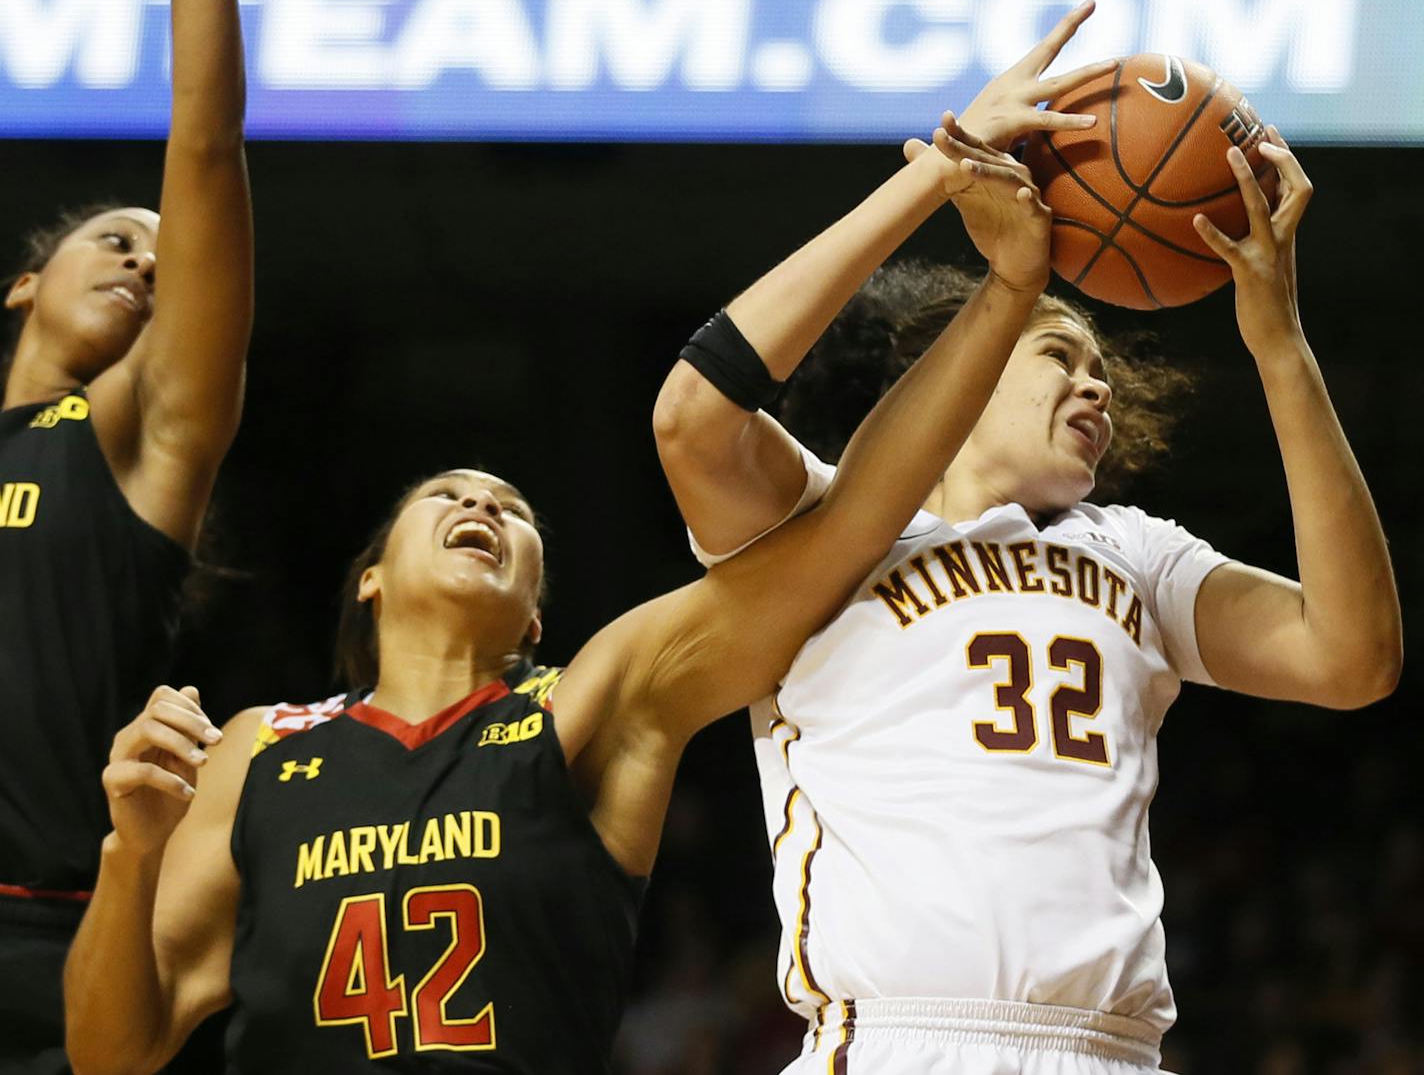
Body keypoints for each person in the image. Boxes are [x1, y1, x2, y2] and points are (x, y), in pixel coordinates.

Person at [62, 117, 1052, 1072]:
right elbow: (112, 1051)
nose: (478, 502)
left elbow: (842, 534)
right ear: (369, 578)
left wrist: (1005, 289)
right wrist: (131, 853)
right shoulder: (259, 749)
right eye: (444, 495)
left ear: (535, 610)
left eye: (511, 507)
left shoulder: (591, 703)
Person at [651, 30, 1402, 1075]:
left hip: (1111, 1050)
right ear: (952, 367)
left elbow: (1351, 657)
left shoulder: (1134, 553)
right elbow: (692, 418)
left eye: (1101, 368)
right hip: (896, 1043)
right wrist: (935, 178)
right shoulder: (815, 535)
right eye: (1059, 354)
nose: (1095, 387)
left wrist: (1278, 344)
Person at [0, 0, 252, 1069]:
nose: (144, 262)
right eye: (113, 240)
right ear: (24, 285)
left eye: (159, 258)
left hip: (52, 940)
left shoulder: (125, 443)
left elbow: (202, 151)